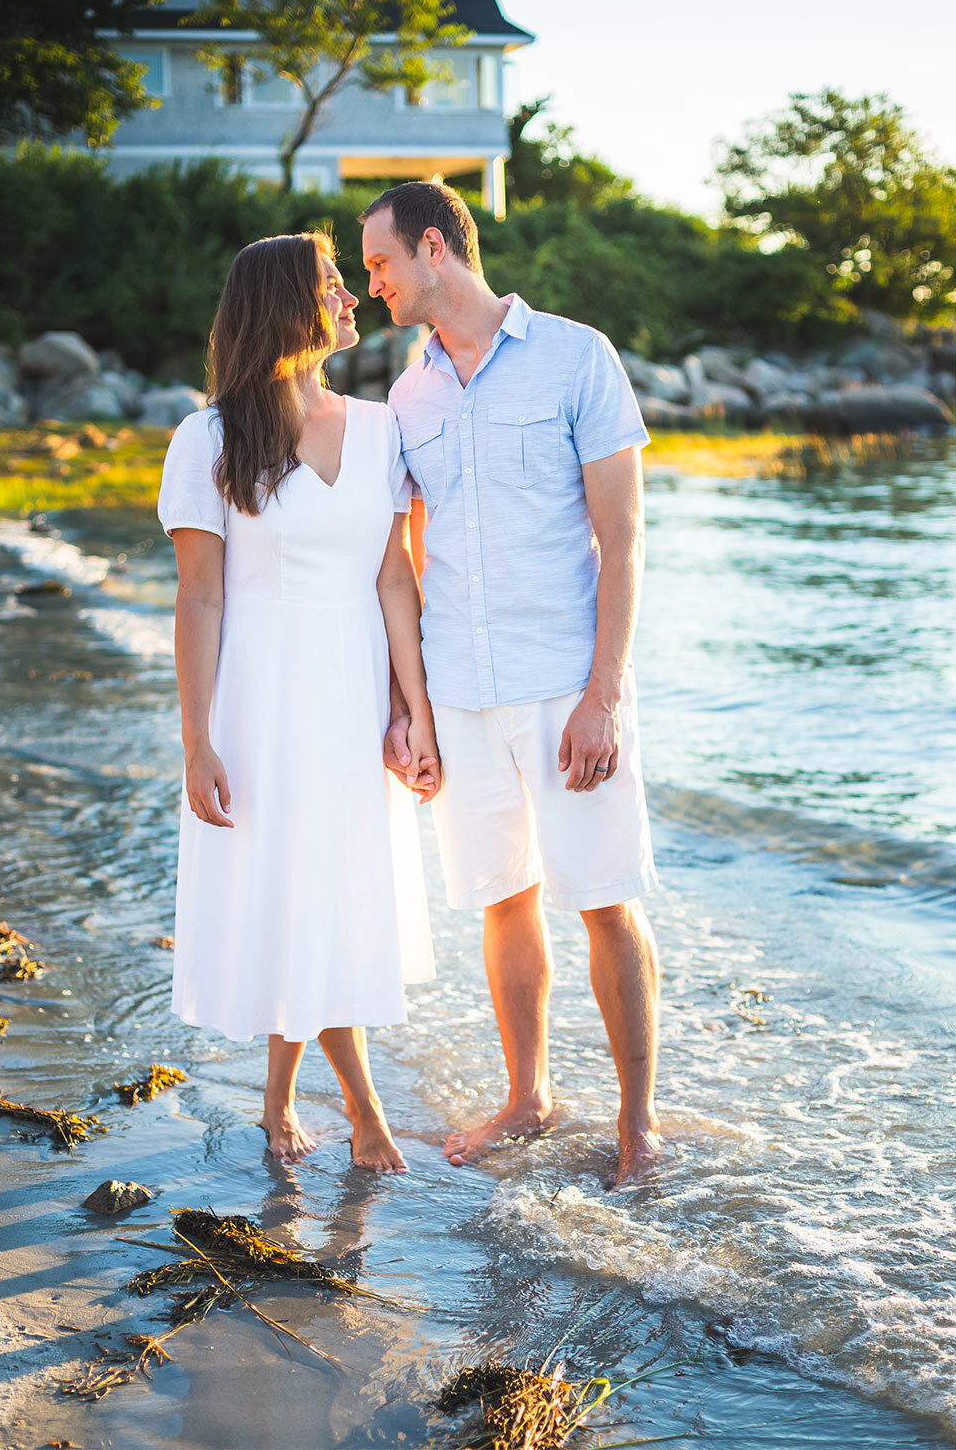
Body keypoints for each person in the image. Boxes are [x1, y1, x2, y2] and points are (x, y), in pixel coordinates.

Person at [362, 180, 663, 1185]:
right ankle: (527, 1094)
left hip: (560, 684)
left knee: (604, 897)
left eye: (379, 263)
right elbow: (401, 558)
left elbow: (620, 541)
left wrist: (600, 694)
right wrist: (407, 709)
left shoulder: (576, 356)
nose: (372, 286)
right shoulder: (405, 396)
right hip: (458, 689)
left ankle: (635, 1124)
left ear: (433, 247)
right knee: (501, 897)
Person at [158, 231, 440, 1174]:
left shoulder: (378, 428)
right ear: (286, 307)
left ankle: (280, 1102)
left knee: (328, 901)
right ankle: (366, 1115)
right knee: (296, 900)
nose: (353, 297)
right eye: (331, 285)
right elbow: (199, 597)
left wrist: (415, 712)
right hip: (260, 701)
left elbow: (396, 578)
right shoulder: (208, 439)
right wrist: (197, 741)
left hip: (354, 694)